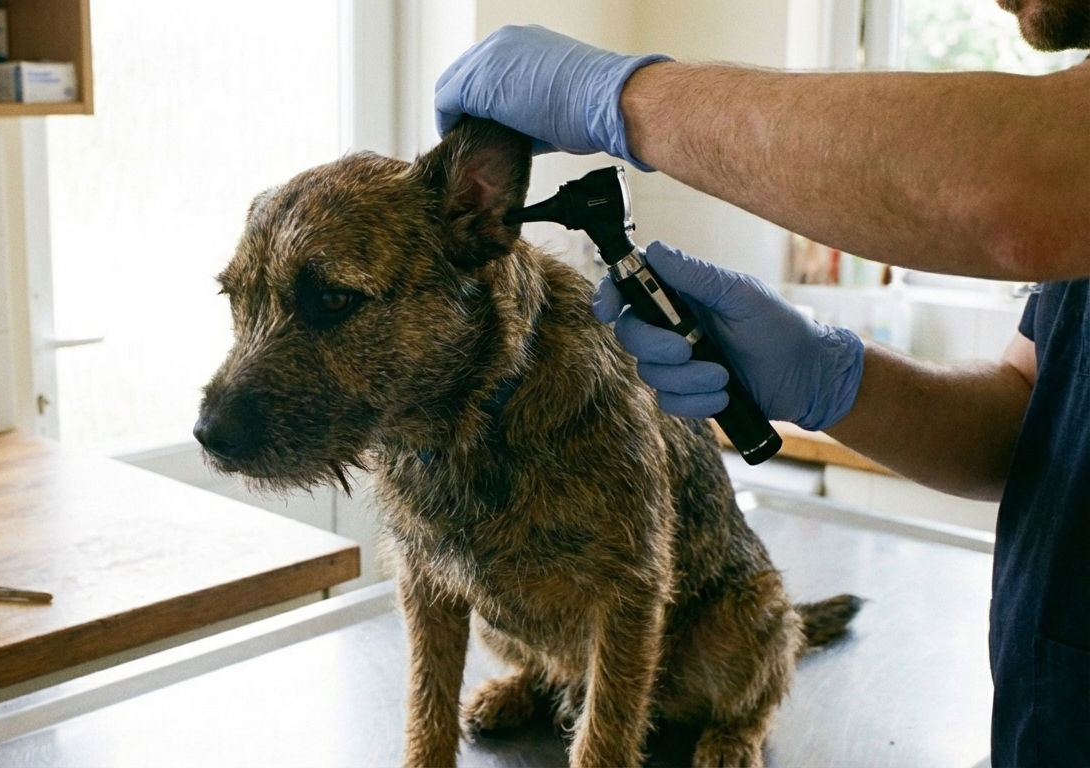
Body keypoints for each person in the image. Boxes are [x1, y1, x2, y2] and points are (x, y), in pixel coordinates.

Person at [434, 4, 1090, 766]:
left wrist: (621, 96)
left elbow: (1025, 181)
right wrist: (829, 377)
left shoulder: (1060, 159)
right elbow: (1027, 415)